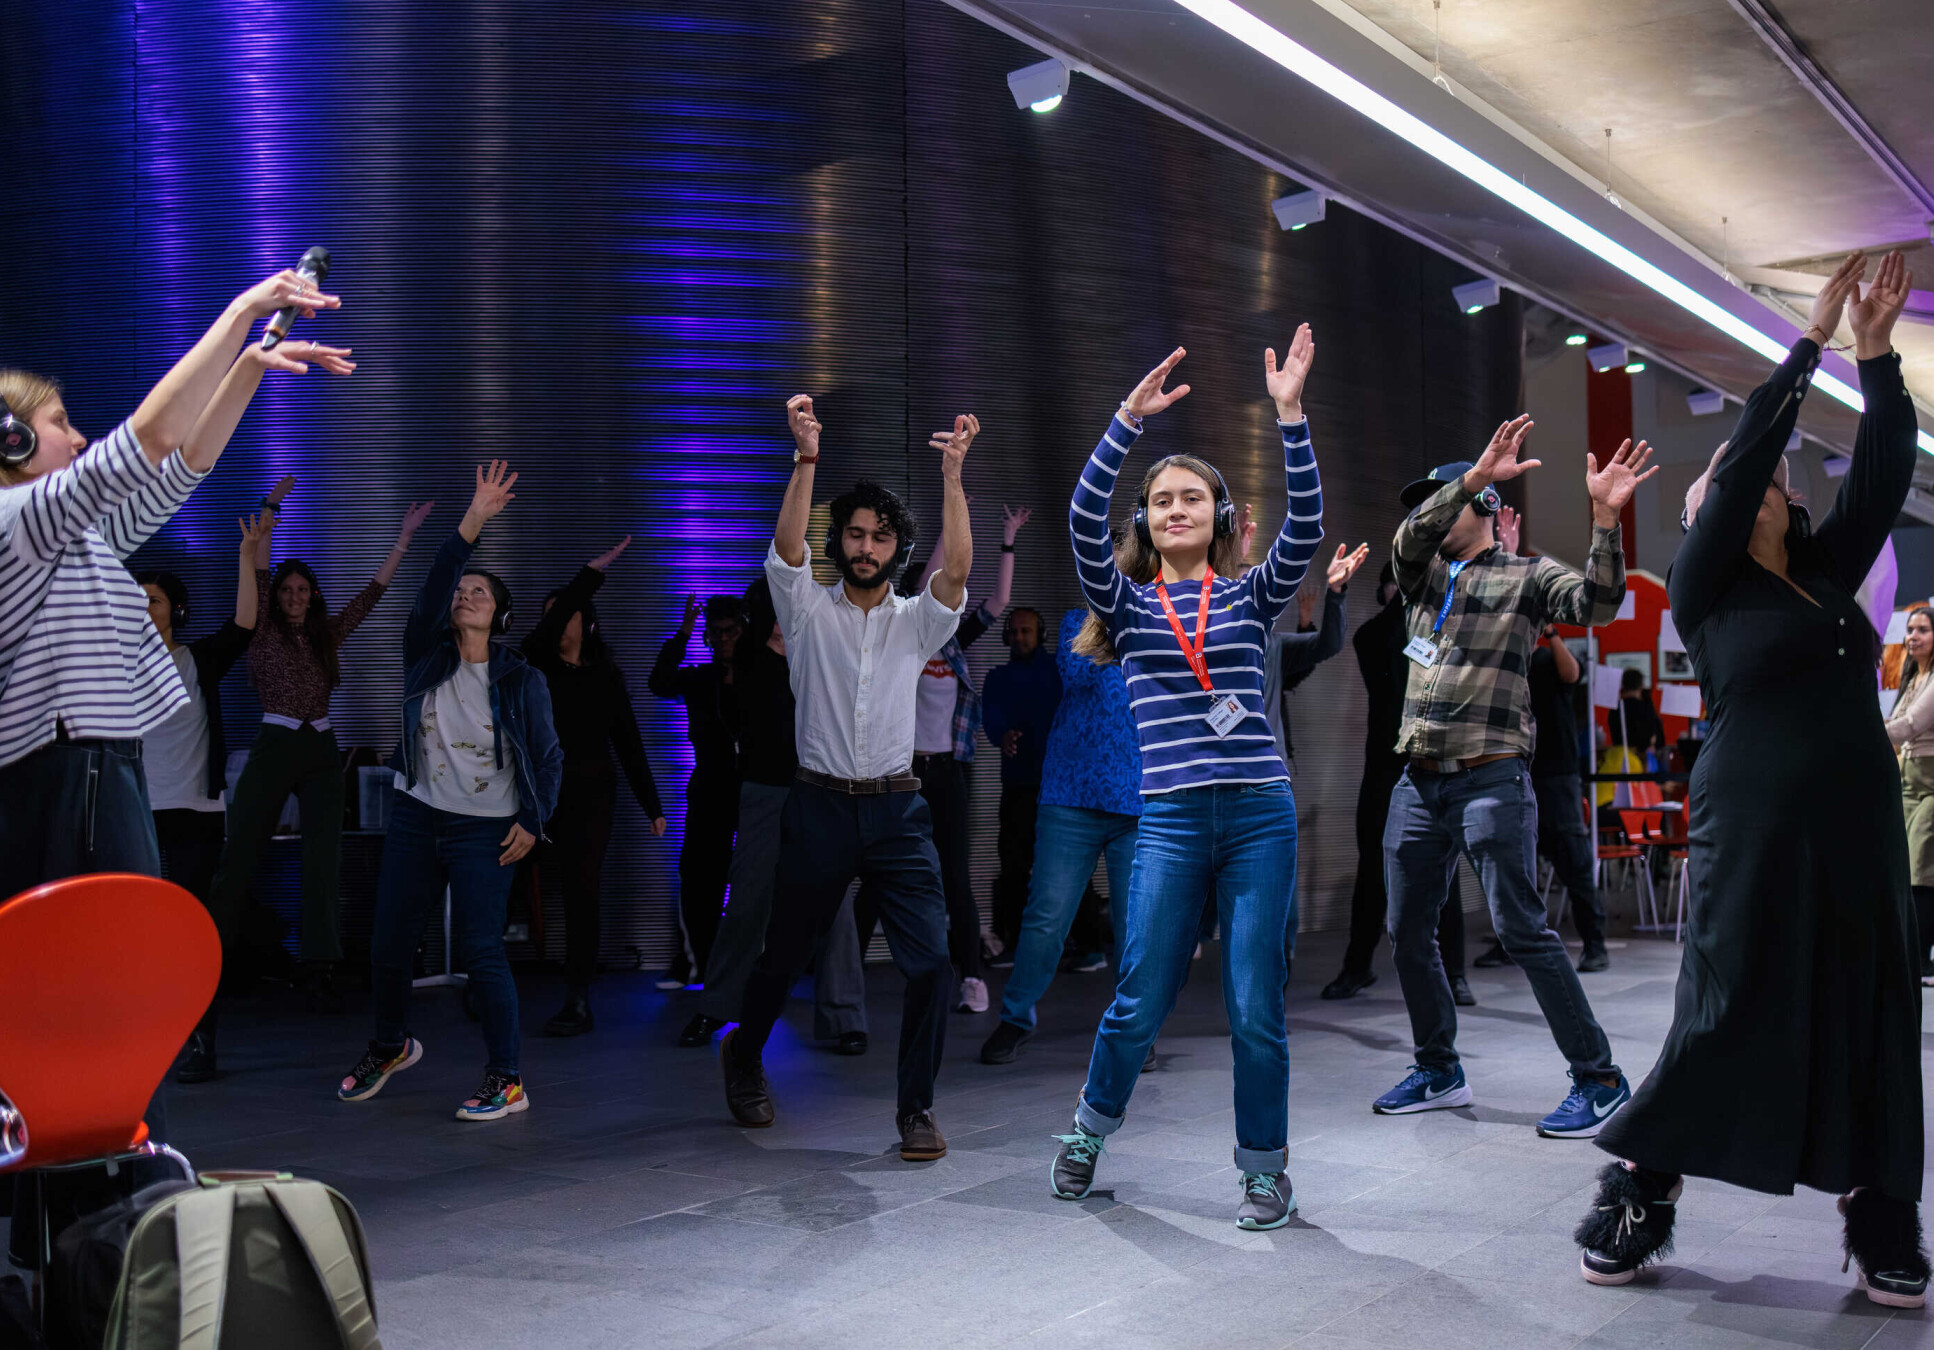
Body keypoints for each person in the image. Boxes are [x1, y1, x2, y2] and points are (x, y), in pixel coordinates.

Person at [1579, 251, 1930, 1304]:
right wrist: (1808, 342)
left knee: (1872, 1011)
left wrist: (1873, 355)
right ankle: (1639, 1190)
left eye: (1767, 476)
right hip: (1751, 823)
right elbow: (1737, 469)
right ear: (1705, 518)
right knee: (1726, 1005)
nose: (1756, 479)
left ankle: (1878, 1214)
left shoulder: (1823, 577)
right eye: (1729, 482)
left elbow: (1882, 463)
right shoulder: (1704, 588)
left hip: (1857, 825)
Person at [1048, 335, 1323, 1232]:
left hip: (1258, 819)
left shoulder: (1249, 598)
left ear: (1222, 515)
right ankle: (1089, 1129)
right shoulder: (1123, 603)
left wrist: (1289, 417)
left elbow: (1309, 531)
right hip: (1165, 820)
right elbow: (1082, 519)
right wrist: (1128, 422)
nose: (1175, 509)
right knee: (1141, 995)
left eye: (1191, 497)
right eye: (1161, 501)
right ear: (1146, 521)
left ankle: (1263, 1172)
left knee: (1254, 1003)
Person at [0, 270, 349, 899]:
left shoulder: (75, 536)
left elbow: (181, 464)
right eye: (60, 422)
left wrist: (249, 366)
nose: (79, 437)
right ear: (13, 441)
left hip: (102, 762)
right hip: (59, 769)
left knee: (114, 960)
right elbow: (151, 437)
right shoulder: (15, 519)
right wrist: (244, 306)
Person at [1372, 414, 1651, 1135]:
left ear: (1489, 512)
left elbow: (1599, 604)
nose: (1427, 515)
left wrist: (1604, 521)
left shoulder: (1529, 575)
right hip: (1420, 782)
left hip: (1492, 779)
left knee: (1522, 929)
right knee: (1405, 931)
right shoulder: (1421, 578)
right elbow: (1406, 540)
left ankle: (1599, 1078)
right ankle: (1438, 1068)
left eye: (1448, 500)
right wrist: (1467, 480)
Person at [719, 396, 975, 1163]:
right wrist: (805, 460)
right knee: (783, 955)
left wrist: (954, 477)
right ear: (842, 542)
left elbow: (958, 569)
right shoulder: (805, 613)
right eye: (856, 535)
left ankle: (916, 1108)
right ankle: (744, 1054)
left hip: (898, 812)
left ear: (897, 547)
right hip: (820, 807)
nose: (866, 546)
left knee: (930, 962)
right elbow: (785, 548)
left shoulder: (916, 620)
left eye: (881, 535)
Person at [337, 460, 563, 1123]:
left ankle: (507, 1078)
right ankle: (389, 1045)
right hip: (417, 814)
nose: (465, 597)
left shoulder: (522, 681)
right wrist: (471, 524)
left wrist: (533, 818)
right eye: (462, 592)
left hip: (484, 828)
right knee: (387, 943)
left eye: (480, 594)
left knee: (481, 951)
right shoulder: (425, 654)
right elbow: (434, 585)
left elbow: (549, 757)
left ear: (501, 618)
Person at [209, 479, 434, 1012]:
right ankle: (212, 953)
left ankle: (319, 964)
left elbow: (371, 596)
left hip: (320, 747)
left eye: (302, 590)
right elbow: (259, 569)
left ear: (313, 597)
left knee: (323, 858)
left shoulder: (325, 635)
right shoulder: (261, 628)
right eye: (287, 590)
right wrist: (270, 507)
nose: (293, 596)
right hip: (275, 740)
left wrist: (403, 538)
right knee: (240, 849)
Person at [678, 575, 869, 1051]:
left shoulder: (821, 650)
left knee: (837, 907)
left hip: (821, 789)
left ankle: (845, 1019)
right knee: (746, 901)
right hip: (763, 789)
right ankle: (716, 1006)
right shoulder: (745, 660)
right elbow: (733, 720)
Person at [856, 503, 1028, 1015]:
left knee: (955, 874)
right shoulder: (896, 639)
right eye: (929, 594)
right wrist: (949, 503)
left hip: (948, 771)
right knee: (876, 876)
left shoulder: (954, 642)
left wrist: (1007, 538)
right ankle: (841, 981)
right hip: (900, 773)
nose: (940, 600)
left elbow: (999, 599)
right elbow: (933, 574)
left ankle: (972, 977)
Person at [519, 536, 669, 1037]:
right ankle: (489, 979)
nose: (559, 621)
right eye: (552, 614)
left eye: (568, 612)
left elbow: (628, 742)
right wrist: (589, 572)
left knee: (583, 891)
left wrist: (652, 804)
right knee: (508, 882)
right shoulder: (533, 668)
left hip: (589, 794)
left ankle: (578, 997)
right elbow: (536, 641)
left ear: (587, 621)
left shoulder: (606, 675)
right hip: (536, 794)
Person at [979, 607, 1141, 1064]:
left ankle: (1135, 1030)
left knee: (1136, 924)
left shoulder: (1163, 618)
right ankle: (1015, 1017)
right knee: (1046, 915)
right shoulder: (1078, 620)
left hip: (1138, 796)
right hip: (1071, 793)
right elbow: (1074, 671)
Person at [145, 513, 273, 1083]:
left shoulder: (196, 660)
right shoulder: (113, 665)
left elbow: (245, 625)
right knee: (136, 931)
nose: (145, 609)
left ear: (175, 610)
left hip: (194, 810)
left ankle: (201, 1040)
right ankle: (140, 1041)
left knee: (193, 930)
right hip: (134, 811)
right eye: (136, 601)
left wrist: (248, 559)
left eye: (154, 601)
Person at [1319, 563, 1473, 1005]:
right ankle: (1357, 967)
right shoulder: (1372, 637)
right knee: (1372, 873)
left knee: (1445, 873)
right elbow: (1387, 645)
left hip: (1433, 766)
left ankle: (1456, 973)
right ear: (1388, 592)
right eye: (1401, 587)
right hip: (1384, 771)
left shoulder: (1435, 637)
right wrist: (1405, 597)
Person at [1470, 509, 1609, 973]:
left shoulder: (1549, 664)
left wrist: (1551, 631)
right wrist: (1504, 558)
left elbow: (1574, 673)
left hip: (1556, 776)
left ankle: (1595, 943)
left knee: (1572, 862)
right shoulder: (1506, 663)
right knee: (1515, 869)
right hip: (1513, 770)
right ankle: (1510, 943)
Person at [648, 594, 747, 990]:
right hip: (709, 785)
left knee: (757, 877)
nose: (723, 640)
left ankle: (750, 963)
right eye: (716, 633)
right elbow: (659, 681)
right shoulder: (701, 679)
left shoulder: (763, 676)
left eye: (731, 631)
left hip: (757, 787)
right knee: (699, 876)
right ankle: (700, 965)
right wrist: (685, 631)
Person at [981, 601, 1060, 959]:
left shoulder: (1057, 672)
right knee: (1012, 865)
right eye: (1013, 631)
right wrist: (1003, 734)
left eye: (1026, 631)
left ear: (1040, 635)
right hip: (1016, 787)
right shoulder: (997, 678)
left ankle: (1080, 944)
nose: (1018, 637)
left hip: (1058, 789)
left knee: (1060, 867)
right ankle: (1011, 944)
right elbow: (992, 717)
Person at [1885, 605, 1934, 985]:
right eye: (1910, 629)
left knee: (1921, 869)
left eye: (1923, 630)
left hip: (1931, 783)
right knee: (1906, 868)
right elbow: (1896, 723)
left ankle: (1920, 959)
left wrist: (1864, 729)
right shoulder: (1911, 677)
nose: (1913, 636)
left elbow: (1911, 724)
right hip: (1906, 780)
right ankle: (1909, 955)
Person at [1608, 667, 1665, 762]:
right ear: (1641, 686)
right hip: (1641, 758)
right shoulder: (1646, 708)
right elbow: (1656, 737)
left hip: (1619, 758)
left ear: (1623, 685)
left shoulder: (1615, 709)